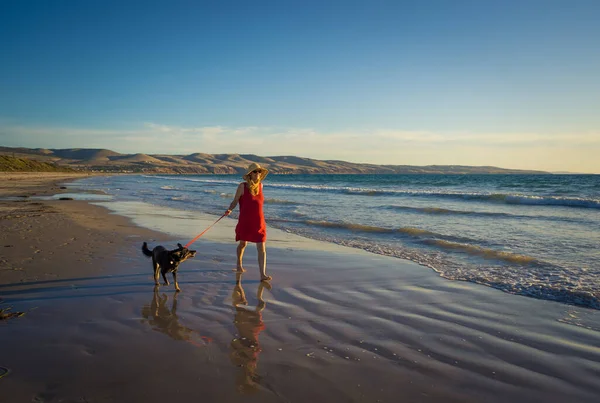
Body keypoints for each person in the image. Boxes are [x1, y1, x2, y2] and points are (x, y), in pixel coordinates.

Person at [225, 163, 272, 281]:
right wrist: (230, 209)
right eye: (255, 171)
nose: (258, 174)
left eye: (259, 171)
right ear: (250, 174)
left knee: (262, 247)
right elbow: (235, 201)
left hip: (259, 221)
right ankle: (239, 264)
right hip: (245, 220)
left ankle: (263, 274)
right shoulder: (242, 186)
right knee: (242, 244)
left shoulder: (261, 186)